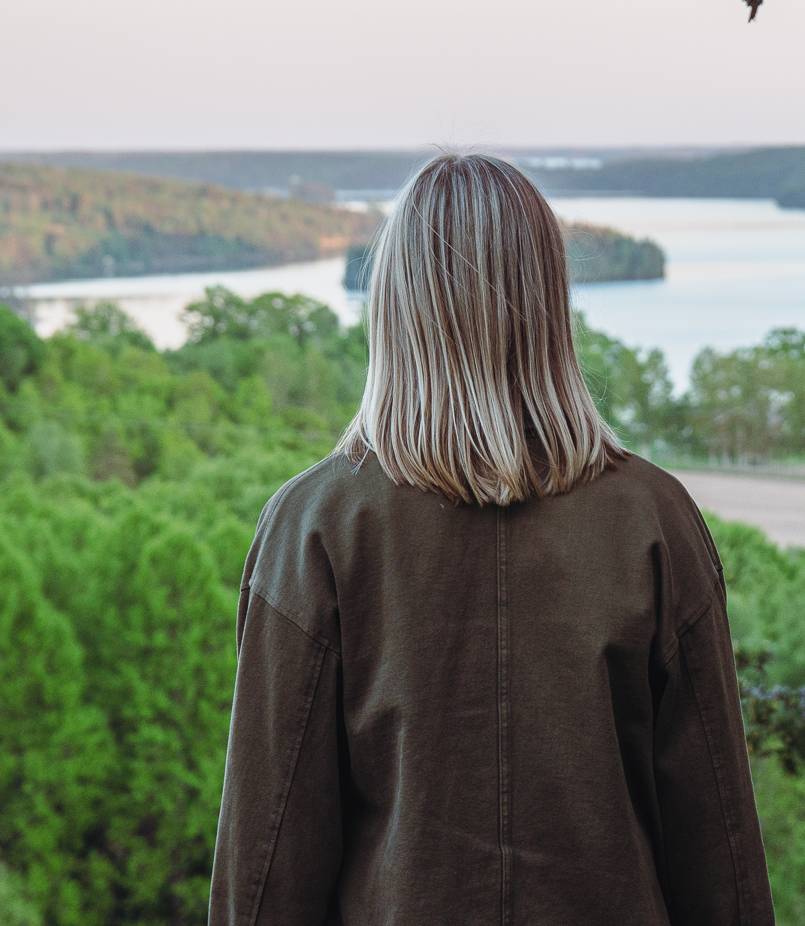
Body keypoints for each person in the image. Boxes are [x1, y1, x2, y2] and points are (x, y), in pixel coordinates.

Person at [208, 152, 774, 926]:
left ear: (396, 305)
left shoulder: (313, 527)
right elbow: (722, 865)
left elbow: (267, 868)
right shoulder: (654, 520)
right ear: (548, 301)